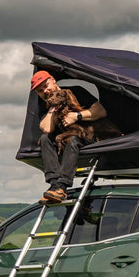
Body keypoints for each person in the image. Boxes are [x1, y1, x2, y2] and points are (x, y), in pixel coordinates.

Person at [30, 70, 108, 204]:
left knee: (72, 140)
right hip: (64, 138)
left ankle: (62, 185)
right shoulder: (47, 103)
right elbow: (47, 128)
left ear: (53, 80)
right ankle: (55, 185)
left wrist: (77, 116)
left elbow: (101, 111)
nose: (45, 91)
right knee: (45, 139)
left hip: (85, 136)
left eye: (46, 85)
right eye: (40, 91)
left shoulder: (76, 92)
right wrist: (52, 107)